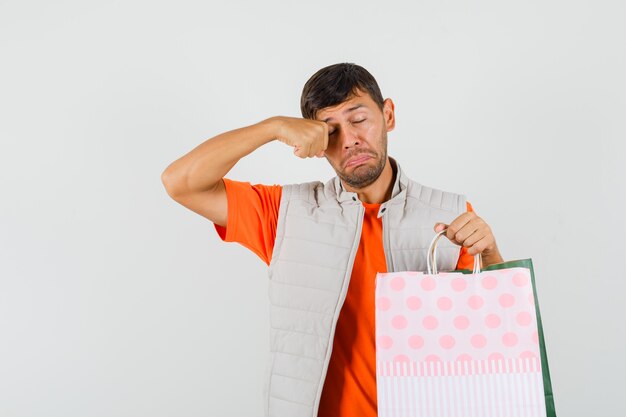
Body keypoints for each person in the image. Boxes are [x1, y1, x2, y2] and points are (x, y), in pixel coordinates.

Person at [161, 63, 504, 417]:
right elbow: (180, 183)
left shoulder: (449, 213)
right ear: (315, 142)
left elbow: (494, 330)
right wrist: (272, 127)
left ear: (388, 115)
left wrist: (491, 252)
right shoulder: (285, 213)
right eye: (330, 130)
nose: (350, 140)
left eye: (359, 120)